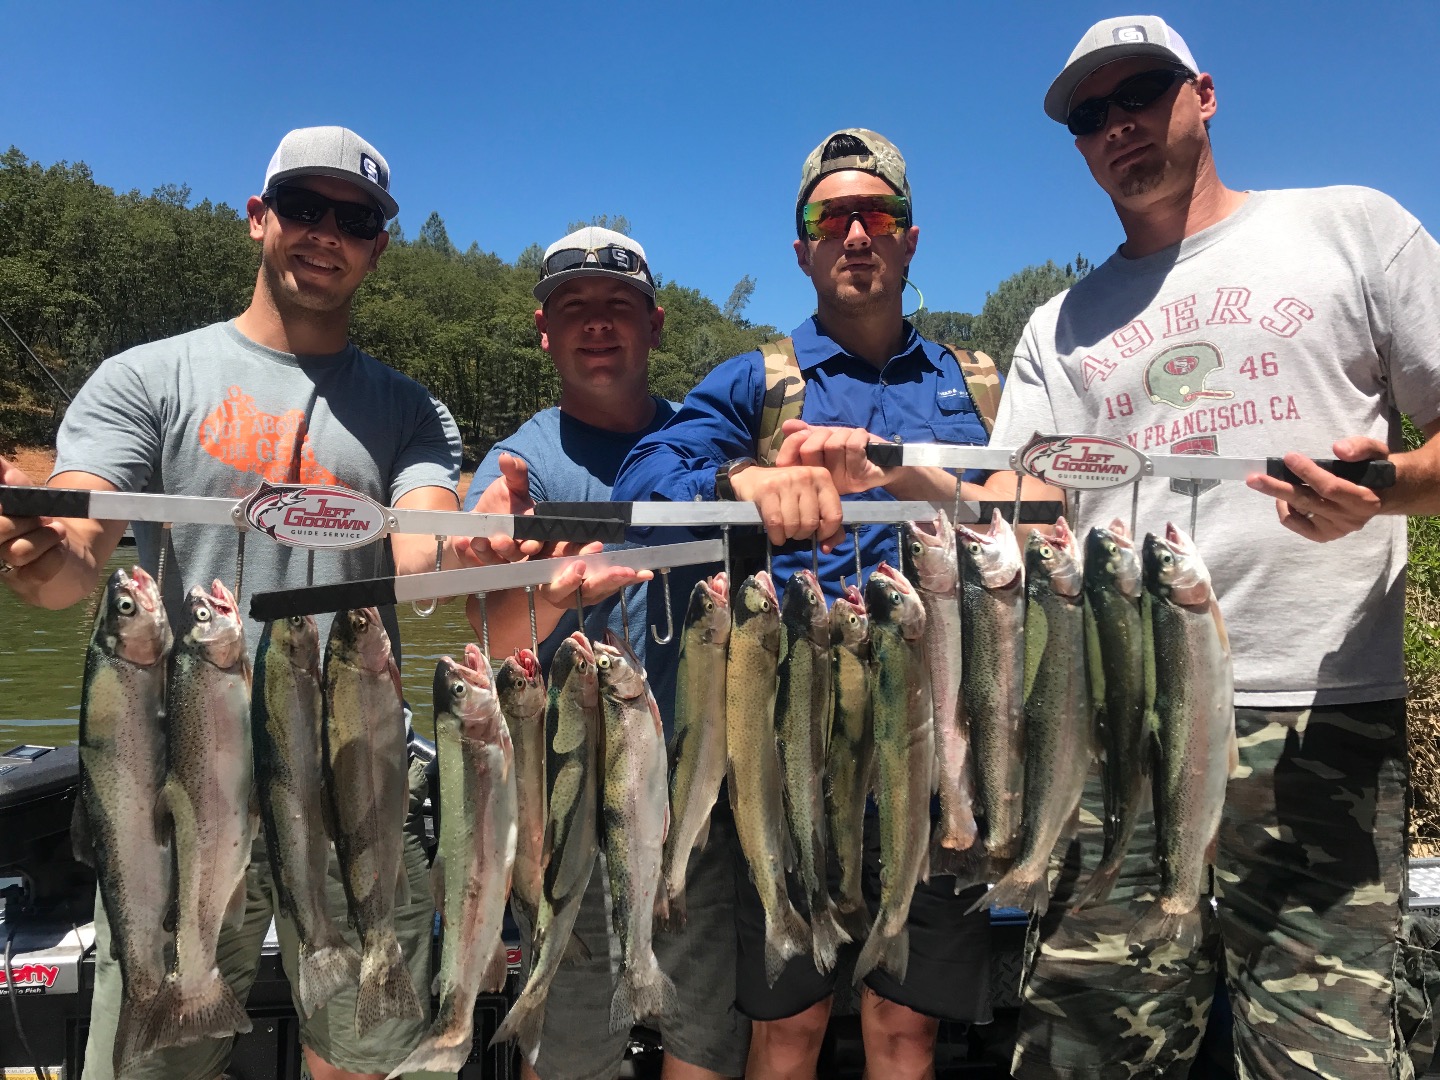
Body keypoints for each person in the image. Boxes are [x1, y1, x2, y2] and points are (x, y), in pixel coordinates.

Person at [983, 16, 1440, 1079]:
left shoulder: (1352, 228)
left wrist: (1388, 493)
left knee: (1330, 1062)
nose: (1117, 126)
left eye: (1138, 92)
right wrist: (896, 475)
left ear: (1205, 93)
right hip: (1110, 723)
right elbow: (1021, 496)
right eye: (1089, 118)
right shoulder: (1058, 323)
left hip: (1320, 726)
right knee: (1086, 1058)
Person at [0, 126, 462, 1080]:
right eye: (303, 208)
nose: (325, 233)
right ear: (258, 220)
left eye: (355, 218)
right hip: (184, 775)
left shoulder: (414, 412)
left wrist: (477, 546)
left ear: (377, 246)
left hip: (354, 770)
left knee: (368, 1057)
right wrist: (30, 545)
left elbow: (422, 551)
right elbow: (75, 561)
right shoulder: (145, 378)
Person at [614, 129, 997, 1080]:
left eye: (880, 215)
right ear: (802, 248)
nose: (857, 233)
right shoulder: (758, 380)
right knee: (789, 1022)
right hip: (791, 731)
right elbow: (645, 479)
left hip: (939, 728)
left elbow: (1045, 502)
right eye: (833, 217)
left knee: (906, 1025)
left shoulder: (977, 382)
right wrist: (741, 477)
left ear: (911, 240)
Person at [454, 225, 750, 1080]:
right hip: (563, 799)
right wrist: (541, 588)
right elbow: (492, 638)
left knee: (703, 1036)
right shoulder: (521, 464)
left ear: (655, 324)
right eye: (572, 308)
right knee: (572, 1044)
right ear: (543, 332)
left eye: (617, 306)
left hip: (695, 789)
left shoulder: (707, 451)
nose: (596, 324)